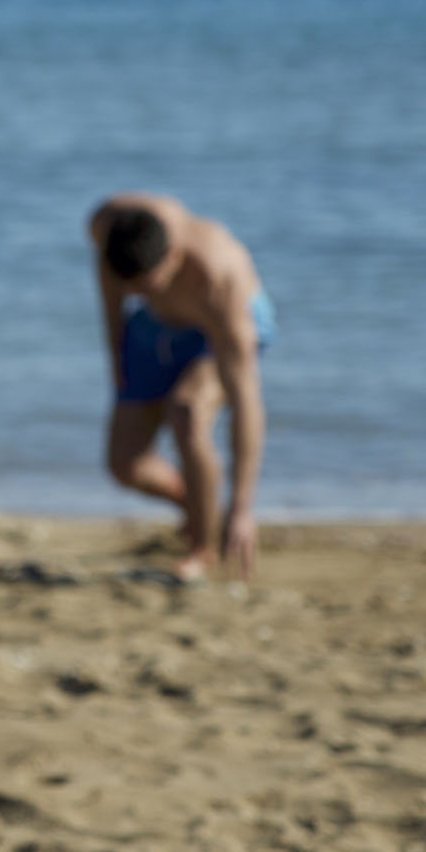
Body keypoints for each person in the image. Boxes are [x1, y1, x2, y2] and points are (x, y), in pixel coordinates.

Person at [90, 193, 275, 581]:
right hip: (157, 326)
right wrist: (114, 357)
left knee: (186, 411)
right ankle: (199, 508)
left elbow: (246, 399)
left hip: (217, 327)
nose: (136, 294)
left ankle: (203, 549)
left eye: (147, 286)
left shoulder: (220, 275)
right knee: (124, 464)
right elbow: (111, 289)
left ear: (173, 256)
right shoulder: (107, 226)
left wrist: (242, 507)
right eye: (132, 290)